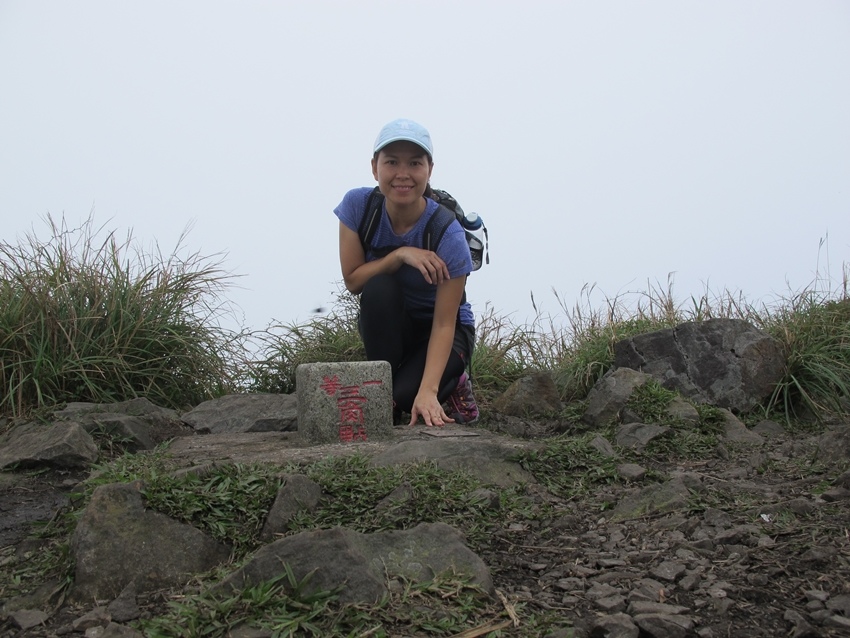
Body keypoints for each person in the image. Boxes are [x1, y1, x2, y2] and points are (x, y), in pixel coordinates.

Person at [334, 118, 479, 428]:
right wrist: (400, 255)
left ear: (429, 169)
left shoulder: (446, 234)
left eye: (415, 163)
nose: (403, 174)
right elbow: (354, 281)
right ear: (375, 167)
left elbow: (444, 323)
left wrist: (427, 391)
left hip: (446, 332)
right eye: (391, 162)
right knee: (379, 288)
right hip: (398, 324)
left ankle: (455, 382)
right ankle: (387, 381)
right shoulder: (358, 207)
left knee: (402, 397)